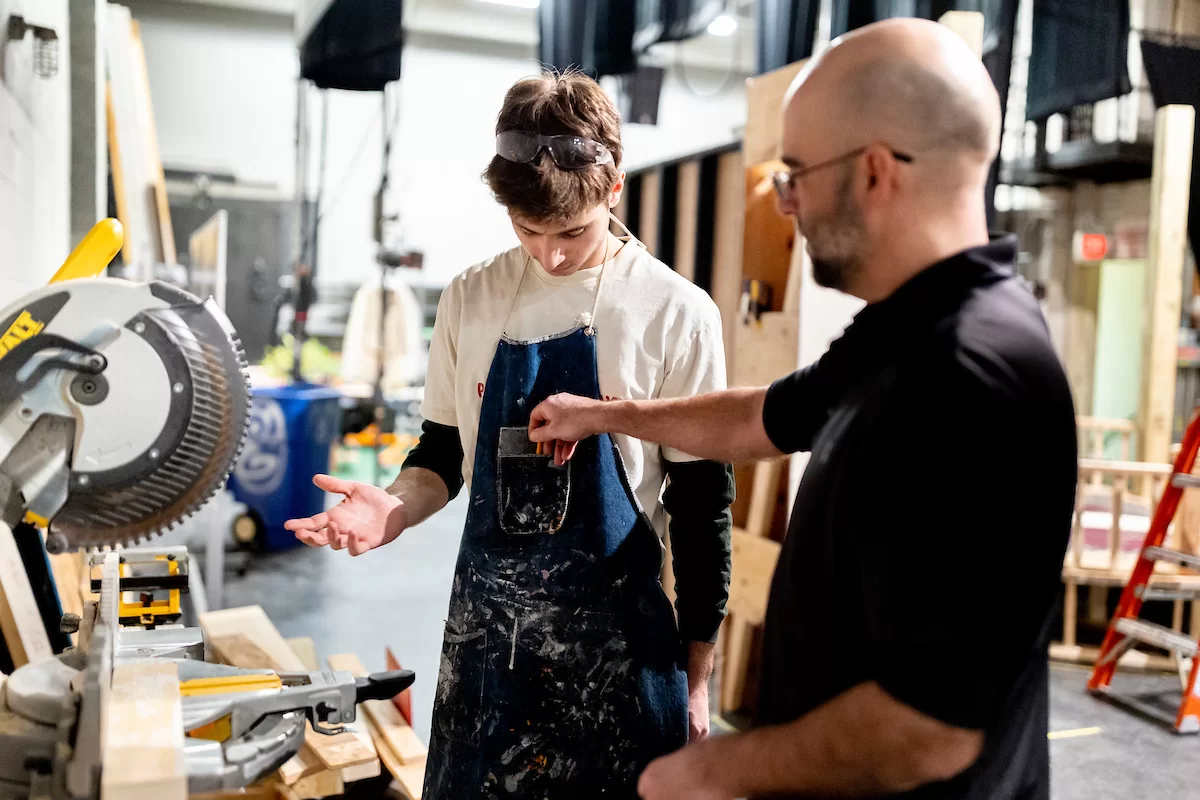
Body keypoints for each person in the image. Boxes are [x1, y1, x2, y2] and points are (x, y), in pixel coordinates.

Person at [528, 19, 1077, 800]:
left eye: (796, 174)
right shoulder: (909, 329)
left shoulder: (972, 376)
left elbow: (929, 727)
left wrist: (711, 768)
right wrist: (606, 415)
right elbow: (760, 419)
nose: (786, 203)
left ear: (876, 172)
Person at [284, 71, 735, 799]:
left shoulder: (675, 313)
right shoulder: (472, 297)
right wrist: (394, 508)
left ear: (614, 187)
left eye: (572, 233)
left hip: (618, 651)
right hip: (490, 647)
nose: (550, 255)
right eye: (528, 231)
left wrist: (697, 676)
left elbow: (700, 505)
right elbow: (440, 453)